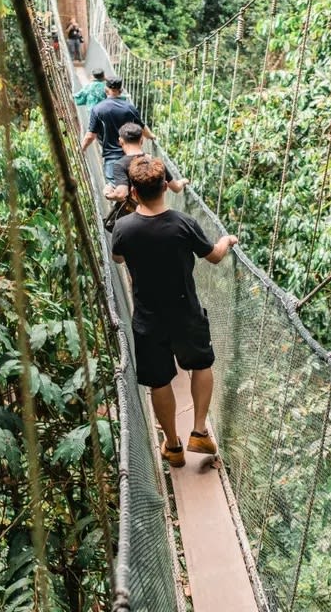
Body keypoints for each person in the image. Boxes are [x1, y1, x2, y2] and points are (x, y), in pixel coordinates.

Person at [111, 156, 239, 468]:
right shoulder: (184, 224)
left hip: (147, 317)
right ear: (165, 187)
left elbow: (117, 260)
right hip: (186, 312)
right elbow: (214, 257)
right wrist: (226, 240)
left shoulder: (123, 228)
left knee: (159, 382)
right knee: (201, 363)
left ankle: (173, 445)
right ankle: (198, 431)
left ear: (134, 193)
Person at [81, 77, 152, 184]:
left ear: (106, 89)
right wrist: (151, 136)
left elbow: (90, 136)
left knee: (116, 190)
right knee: (136, 189)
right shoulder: (130, 108)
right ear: (121, 90)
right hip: (132, 157)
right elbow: (142, 128)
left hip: (112, 159)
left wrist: (82, 149)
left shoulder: (98, 109)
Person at [107, 122, 187, 201]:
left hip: (135, 212)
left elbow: (121, 194)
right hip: (157, 210)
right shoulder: (156, 163)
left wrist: (107, 194)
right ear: (142, 140)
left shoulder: (120, 165)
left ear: (121, 141)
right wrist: (184, 181)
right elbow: (176, 188)